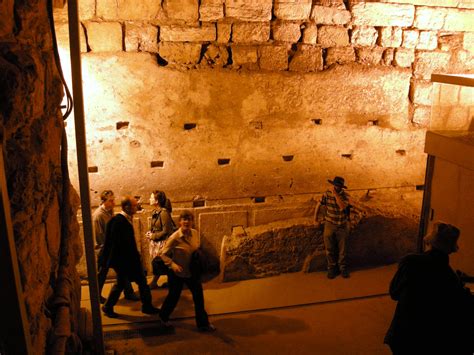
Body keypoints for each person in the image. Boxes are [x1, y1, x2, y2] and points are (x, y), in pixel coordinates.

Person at [384, 222, 474, 354]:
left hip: (402, 335)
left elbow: (394, 293)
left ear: (430, 242)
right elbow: (463, 301)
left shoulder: (409, 262)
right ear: (451, 248)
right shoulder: (448, 275)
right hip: (428, 340)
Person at [100, 196, 160, 318]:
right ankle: (109, 306)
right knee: (134, 282)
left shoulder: (125, 219)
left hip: (128, 260)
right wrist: (131, 260)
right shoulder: (118, 221)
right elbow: (117, 244)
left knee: (126, 283)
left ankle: (109, 306)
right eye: (134, 205)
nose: (136, 207)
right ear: (127, 207)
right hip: (125, 261)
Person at [158, 210, 216, 331]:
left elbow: (197, 248)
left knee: (198, 297)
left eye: (189, 219)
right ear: (180, 222)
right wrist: (172, 264)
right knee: (173, 296)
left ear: (192, 221)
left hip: (192, 272)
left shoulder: (195, 233)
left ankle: (203, 324)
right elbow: (162, 254)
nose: (187, 221)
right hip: (177, 273)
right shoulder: (174, 237)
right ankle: (163, 316)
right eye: (184, 219)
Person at [93, 190, 138, 303]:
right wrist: (106, 249)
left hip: (112, 248)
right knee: (102, 274)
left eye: (113, 200)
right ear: (104, 201)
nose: (113, 203)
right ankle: (96, 296)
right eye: (111, 200)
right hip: (104, 249)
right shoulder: (98, 215)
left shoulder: (109, 211)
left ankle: (129, 292)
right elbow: (99, 236)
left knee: (122, 270)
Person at [314, 176, 351, 279]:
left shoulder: (345, 196)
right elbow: (319, 205)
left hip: (342, 225)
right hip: (330, 224)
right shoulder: (326, 194)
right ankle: (332, 268)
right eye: (335, 185)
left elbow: (342, 207)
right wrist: (315, 219)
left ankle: (342, 268)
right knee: (329, 248)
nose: (336, 187)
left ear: (341, 187)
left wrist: (335, 195)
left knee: (342, 249)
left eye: (338, 186)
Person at [147, 190, 176, 289]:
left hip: (163, 243)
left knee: (160, 262)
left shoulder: (164, 213)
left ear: (157, 201)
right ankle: (170, 282)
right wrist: (150, 233)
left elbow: (166, 231)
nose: (149, 199)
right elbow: (155, 227)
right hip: (157, 243)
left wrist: (153, 236)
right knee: (160, 263)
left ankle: (156, 282)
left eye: (151, 197)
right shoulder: (155, 212)